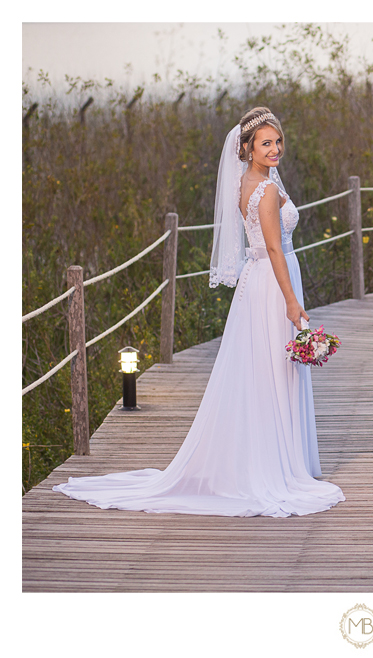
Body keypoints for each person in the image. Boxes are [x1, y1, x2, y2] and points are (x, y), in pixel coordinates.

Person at [53, 107, 345, 517]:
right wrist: (293, 303)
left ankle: (274, 455)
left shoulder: (249, 183)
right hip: (273, 283)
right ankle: (276, 464)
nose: (275, 149)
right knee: (275, 369)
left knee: (263, 368)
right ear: (246, 148)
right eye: (266, 143)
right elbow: (276, 249)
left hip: (258, 279)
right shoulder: (267, 190)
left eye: (278, 141)